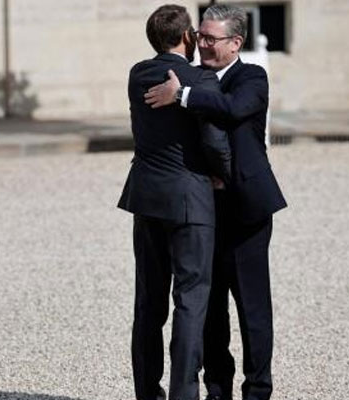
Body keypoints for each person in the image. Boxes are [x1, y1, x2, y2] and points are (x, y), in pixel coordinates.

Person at [143, 4, 287, 400]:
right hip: (203, 210)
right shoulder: (192, 76)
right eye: (199, 36)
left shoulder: (251, 76)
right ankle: (217, 389)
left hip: (246, 209)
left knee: (252, 308)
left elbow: (235, 108)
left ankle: (257, 390)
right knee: (210, 311)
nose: (201, 43)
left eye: (210, 38)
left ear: (235, 42)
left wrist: (183, 95)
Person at [117, 4, 232, 400]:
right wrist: (223, 174)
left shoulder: (138, 74)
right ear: (186, 37)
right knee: (191, 300)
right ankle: (185, 393)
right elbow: (216, 140)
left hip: (146, 197)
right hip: (191, 199)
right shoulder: (201, 78)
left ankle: (148, 392)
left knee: (148, 302)